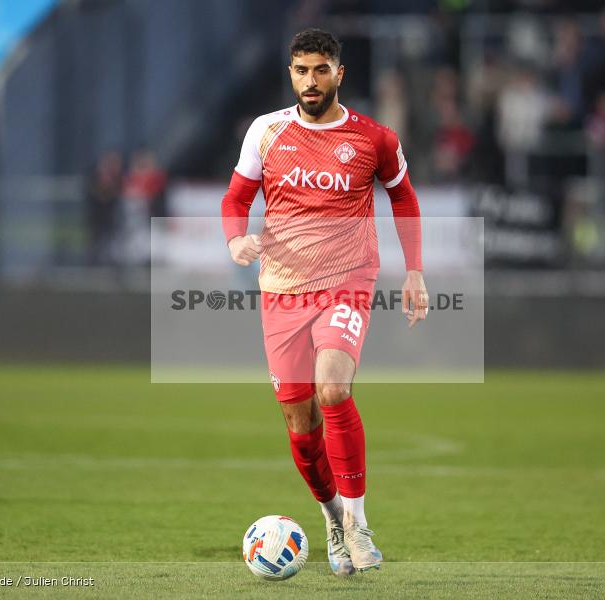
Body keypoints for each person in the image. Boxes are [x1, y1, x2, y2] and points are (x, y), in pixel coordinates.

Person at [220, 28, 426, 575]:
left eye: (320, 70)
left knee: (333, 387)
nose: (309, 81)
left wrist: (415, 273)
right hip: (282, 288)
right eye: (300, 70)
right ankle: (332, 518)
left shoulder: (373, 139)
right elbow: (237, 197)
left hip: (348, 278)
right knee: (298, 417)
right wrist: (236, 238)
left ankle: (357, 525)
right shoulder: (266, 131)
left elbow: (403, 198)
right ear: (291, 73)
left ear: (339, 73)